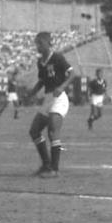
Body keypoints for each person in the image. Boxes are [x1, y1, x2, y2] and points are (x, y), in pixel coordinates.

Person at [28, 31, 74, 177]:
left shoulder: (57, 57)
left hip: (59, 98)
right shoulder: (40, 62)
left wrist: (61, 87)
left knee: (53, 131)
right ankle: (46, 165)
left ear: (48, 43)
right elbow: (42, 80)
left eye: (39, 43)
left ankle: (54, 169)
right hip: (48, 99)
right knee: (34, 131)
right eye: (36, 43)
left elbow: (72, 74)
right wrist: (32, 92)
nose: (37, 46)